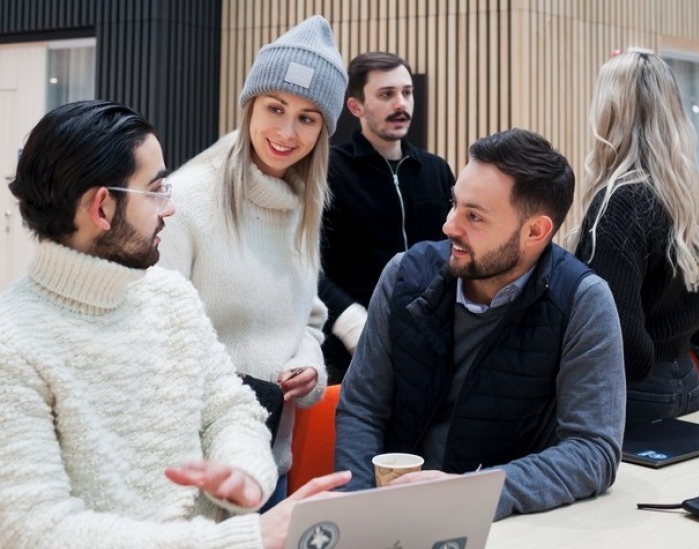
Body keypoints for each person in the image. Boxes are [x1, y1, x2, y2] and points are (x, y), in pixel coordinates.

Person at [0, 99, 351, 548]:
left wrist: (244, 472)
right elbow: (36, 531)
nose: (170, 208)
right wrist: (246, 538)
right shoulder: (14, 343)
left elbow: (232, 409)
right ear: (102, 208)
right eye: (157, 189)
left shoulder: (170, 297)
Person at [335, 128, 627, 520]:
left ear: (535, 232)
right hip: (396, 517)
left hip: (509, 524)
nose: (449, 226)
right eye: (455, 204)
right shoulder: (404, 276)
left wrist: (469, 494)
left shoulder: (582, 301)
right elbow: (362, 407)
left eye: (474, 216)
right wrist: (359, 511)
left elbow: (593, 450)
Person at [158, 15, 348, 508]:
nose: (287, 131)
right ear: (249, 107)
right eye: (275, 108)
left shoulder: (303, 208)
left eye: (307, 118)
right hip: (191, 469)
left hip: (269, 463)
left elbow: (309, 319)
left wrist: (308, 367)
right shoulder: (187, 201)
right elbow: (157, 332)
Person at [569, 49, 699, 421]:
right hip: (687, 379)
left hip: (637, 391)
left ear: (609, 111)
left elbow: (614, 333)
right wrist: (684, 338)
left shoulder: (620, 203)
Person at [319, 52, 455, 383]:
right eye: (386, 94)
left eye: (406, 92)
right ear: (356, 107)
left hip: (429, 349)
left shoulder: (436, 170)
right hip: (350, 356)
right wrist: (351, 323)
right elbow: (307, 267)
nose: (401, 104)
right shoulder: (327, 171)